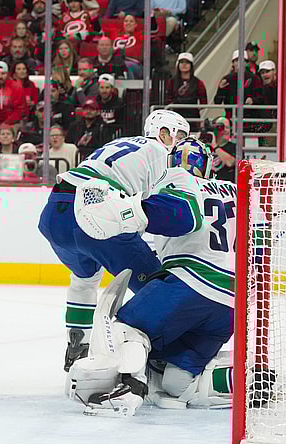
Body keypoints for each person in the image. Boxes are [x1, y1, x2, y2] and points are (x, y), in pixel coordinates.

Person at [66, 137, 235, 415]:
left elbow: (178, 217)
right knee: (174, 384)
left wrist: (128, 213)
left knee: (127, 329)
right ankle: (239, 379)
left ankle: (127, 390)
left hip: (190, 282)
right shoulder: (237, 190)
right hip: (231, 301)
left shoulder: (177, 178)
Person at [38, 109, 190, 372]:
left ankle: (77, 346)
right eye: (181, 136)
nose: (181, 144)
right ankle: (163, 356)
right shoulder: (160, 153)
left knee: (84, 279)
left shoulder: (119, 144)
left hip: (55, 214)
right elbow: (157, 208)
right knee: (157, 288)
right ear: (164, 132)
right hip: (94, 212)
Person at [166, 52, 207, 132]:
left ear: (191, 65)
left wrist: (192, 108)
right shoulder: (172, 82)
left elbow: (204, 102)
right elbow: (168, 99)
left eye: (187, 62)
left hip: (193, 118)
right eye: (182, 62)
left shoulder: (198, 83)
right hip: (176, 117)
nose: (184, 65)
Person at [208, 116, 236, 182]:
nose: (225, 130)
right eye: (221, 127)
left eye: (227, 127)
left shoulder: (235, 147)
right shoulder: (205, 146)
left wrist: (215, 146)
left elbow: (230, 162)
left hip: (226, 189)